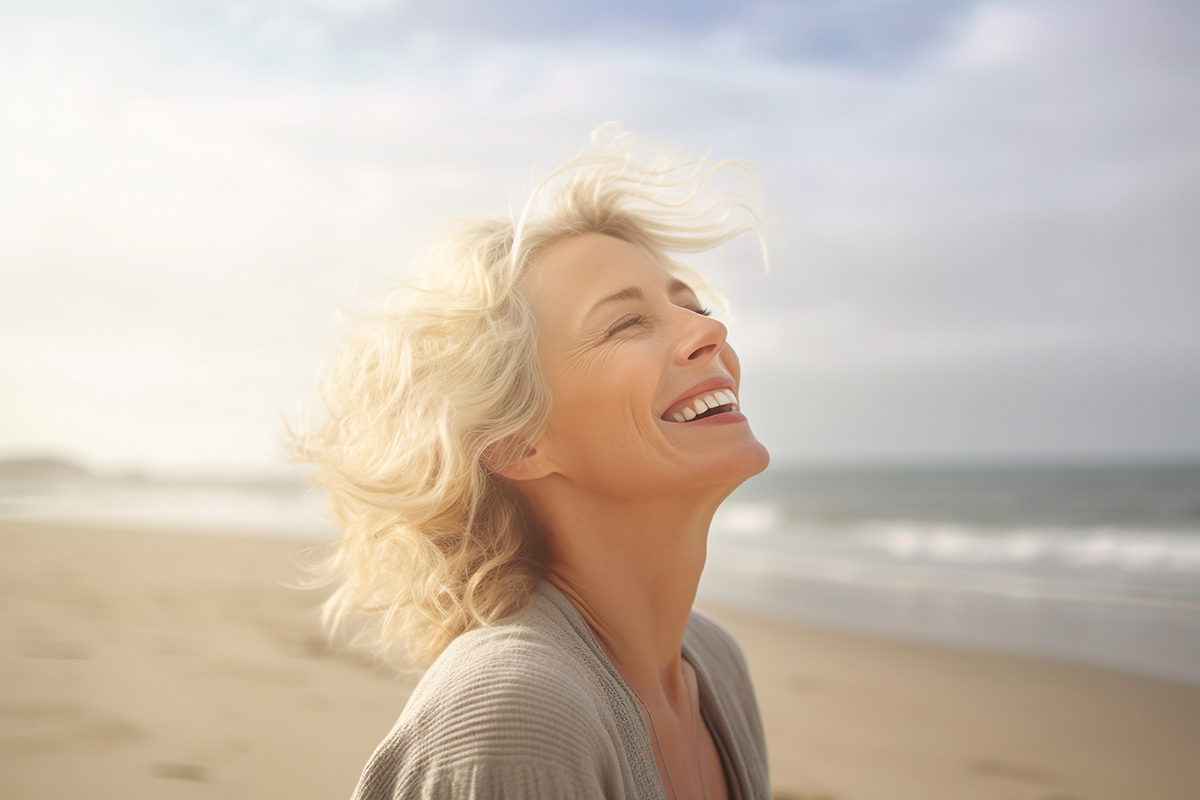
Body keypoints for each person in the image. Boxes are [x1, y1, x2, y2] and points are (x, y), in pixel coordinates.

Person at [289, 127, 772, 799]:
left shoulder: (714, 663)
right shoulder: (514, 713)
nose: (710, 331)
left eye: (692, 305)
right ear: (517, 442)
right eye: (626, 324)